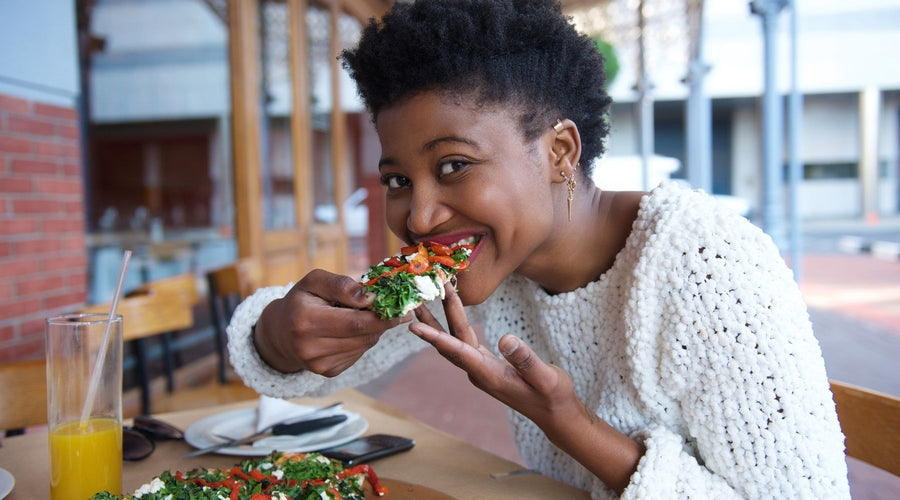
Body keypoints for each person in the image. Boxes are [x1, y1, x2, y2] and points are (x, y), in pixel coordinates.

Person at [226, 0, 850, 497]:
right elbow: (298, 367)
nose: (417, 215)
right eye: (397, 180)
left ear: (560, 153)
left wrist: (570, 424)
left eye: (453, 166)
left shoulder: (708, 264)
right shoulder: (485, 260)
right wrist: (281, 335)